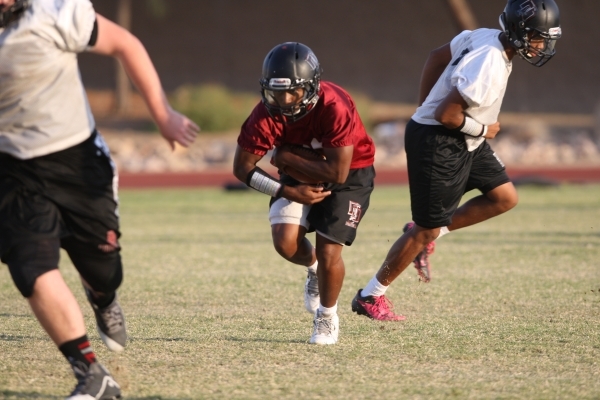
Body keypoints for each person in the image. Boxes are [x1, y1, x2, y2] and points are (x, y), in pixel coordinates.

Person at [0, 0, 199, 398]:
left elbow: (126, 43)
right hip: (14, 170)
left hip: (78, 164)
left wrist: (162, 115)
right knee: (29, 267)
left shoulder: (54, 11)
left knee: (104, 271)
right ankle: (92, 375)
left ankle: (102, 296)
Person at [351, 0, 561, 321]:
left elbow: (436, 57)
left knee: (503, 197)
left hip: (461, 138)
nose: (542, 44)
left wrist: (424, 105)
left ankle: (432, 233)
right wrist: (484, 128)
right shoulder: (489, 63)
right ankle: (370, 295)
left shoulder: (485, 36)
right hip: (440, 142)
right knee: (424, 229)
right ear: (519, 32)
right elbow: (447, 114)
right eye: (537, 36)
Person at [233, 42, 376, 345]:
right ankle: (313, 270)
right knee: (285, 244)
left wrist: (285, 157)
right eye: (276, 92)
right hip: (297, 176)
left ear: (311, 86)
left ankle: (327, 316)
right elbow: (242, 168)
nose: (283, 100)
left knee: (329, 251)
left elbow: (337, 172)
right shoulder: (264, 114)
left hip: (350, 175)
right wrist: (286, 190)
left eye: (292, 91)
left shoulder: (335, 105)